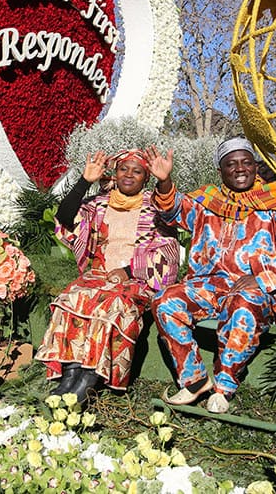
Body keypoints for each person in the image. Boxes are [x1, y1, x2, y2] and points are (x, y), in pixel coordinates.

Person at [146, 137, 276, 414]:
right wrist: (165, 181)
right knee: (165, 301)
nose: (240, 169)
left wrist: (261, 276)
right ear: (221, 170)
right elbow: (172, 211)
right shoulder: (207, 200)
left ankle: (224, 386)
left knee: (243, 304)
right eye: (231, 164)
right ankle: (195, 379)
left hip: (257, 289)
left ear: (255, 166)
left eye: (246, 162)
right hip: (210, 284)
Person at [35, 149, 180, 405]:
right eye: (124, 169)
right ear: (115, 173)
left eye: (137, 171)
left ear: (145, 178)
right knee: (71, 298)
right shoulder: (100, 204)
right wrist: (84, 182)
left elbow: (168, 247)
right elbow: (66, 218)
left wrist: (128, 271)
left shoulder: (155, 209)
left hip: (138, 280)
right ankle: (70, 376)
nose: (129, 175)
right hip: (98, 276)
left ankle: (89, 380)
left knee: (113, 305)